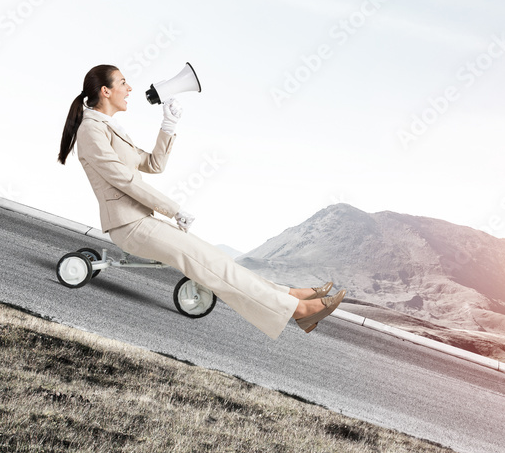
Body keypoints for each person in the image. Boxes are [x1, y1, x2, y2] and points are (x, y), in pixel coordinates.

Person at [57, 64, 344, 338]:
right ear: (105, 91)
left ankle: (289, 294)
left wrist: (169, 124)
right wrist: (173, 209)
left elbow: (154, 165)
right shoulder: (92, 130)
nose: (129, 88)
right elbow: (124, 180)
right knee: (211, 266)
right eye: (122, 82)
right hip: (129, 226)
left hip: (141, 221)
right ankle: (299, 311)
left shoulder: (108, 126)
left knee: (218, 259)